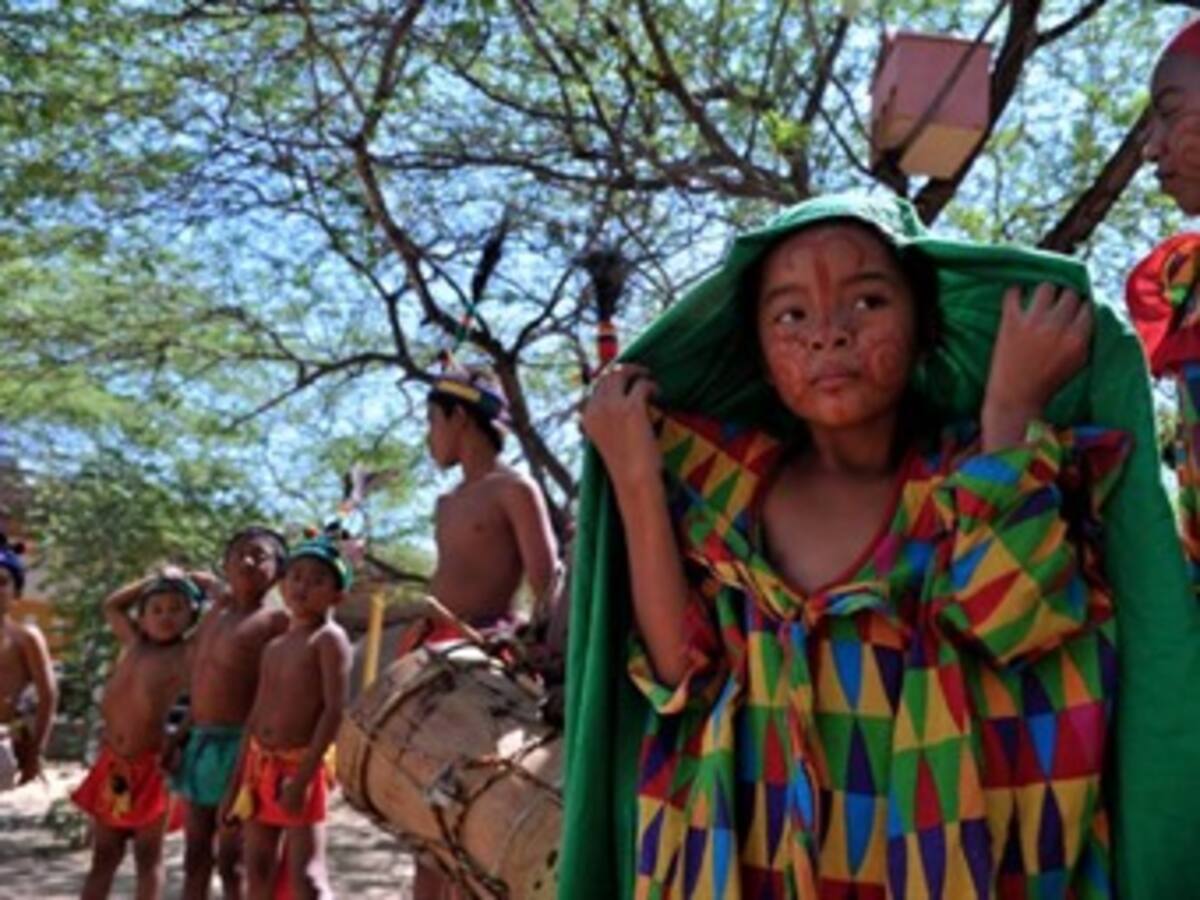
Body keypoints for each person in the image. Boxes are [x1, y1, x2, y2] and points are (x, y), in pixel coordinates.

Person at [562, 193, 1191, 898]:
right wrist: (638, 480)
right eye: (790, 315)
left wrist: (1011, 410)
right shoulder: (725, 496)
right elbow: (678, 674)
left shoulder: (974, 474)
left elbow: (1013, 620)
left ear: (927, 329)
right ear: (761, 357)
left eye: (866, 303)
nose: (828, 334)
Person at [406, 369, 561, 900]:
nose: (428, 437)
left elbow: (546, 583)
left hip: (488, 659)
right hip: (434, 657)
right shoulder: (446, 503)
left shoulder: (515, 488)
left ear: (458, 417)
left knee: (473, 822)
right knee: (424, 828)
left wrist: (529, 650)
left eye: (431, 421)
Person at [221, 531, 352, 900]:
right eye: (296, 577)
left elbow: (334, 710)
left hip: (299, 769)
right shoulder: (275, 646)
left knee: (306, 878)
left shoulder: (329, 639)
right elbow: (255, 715)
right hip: (260, 766)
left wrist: (304, 779)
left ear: (337, 595)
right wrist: (234, 786)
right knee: (257, 868)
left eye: (317, 580)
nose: (303, 586)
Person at [166, 526, 289, 900]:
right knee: (195, 854)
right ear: (226, 564)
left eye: (260, 555)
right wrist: (179, 736)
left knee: (234, 860)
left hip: (242, 748)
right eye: (239, 554)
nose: (248, 561)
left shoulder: (276, 622)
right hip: (200, 742)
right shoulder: (214, 615)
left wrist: (251, 762)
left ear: (279, 572)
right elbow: (201, 688)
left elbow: (275, 696)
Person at [74, 569, 209, 900]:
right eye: (156, 609)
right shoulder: (134, 643)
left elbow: (222, 608)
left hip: (154, 768)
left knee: (148, 857)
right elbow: (112, 606)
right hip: (114, 764)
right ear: (143, 617)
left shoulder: (190, 652)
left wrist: (195, 578)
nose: (165, 616)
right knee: (104, 855)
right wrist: (154, 578)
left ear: (192, 614)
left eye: (176, 608)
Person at [0, 534, 57, 790]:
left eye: (1, 582)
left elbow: (48, 695)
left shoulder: (25, 638)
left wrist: (35, 752)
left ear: (16, 591)